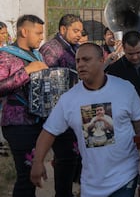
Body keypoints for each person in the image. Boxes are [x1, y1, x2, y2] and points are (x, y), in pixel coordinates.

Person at [30, 43, 140, 197]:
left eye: (86, 59)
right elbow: (49, 131)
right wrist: (38, 162)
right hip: (92, 183)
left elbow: (139, 123)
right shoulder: (69, 100)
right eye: (78, 61)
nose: (81, 65)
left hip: (124, 175)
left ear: (101, 61)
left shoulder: (124, 89)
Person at [0, 15, 48, 197]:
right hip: (17, 125)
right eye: (38, 33)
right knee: (26, 177)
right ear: (24, 32)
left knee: (32, 177)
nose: (41, 37)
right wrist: (26, 71)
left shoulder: (37, 55)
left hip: (38, 122)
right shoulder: (5, 55)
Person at [39, 13, 83, 197]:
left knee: (73, 157)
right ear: (62, 29)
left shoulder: (75, 48)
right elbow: (50, 82)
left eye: (81, 31)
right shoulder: (51, 49)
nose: (79, 34)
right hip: (59, 111)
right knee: (65, 158)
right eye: (75, 30)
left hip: (75, 109)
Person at [106, 31, 140, 119]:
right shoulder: (115, 70)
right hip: (130, 118)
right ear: (123, 48)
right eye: (130, 54)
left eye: (138, 52)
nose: (135, 57)